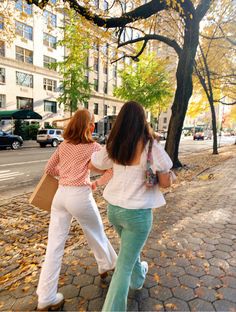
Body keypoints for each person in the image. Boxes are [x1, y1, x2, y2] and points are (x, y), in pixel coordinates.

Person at [89, 101, 173, 311]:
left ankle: (139, 278)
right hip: (138, 215)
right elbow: (165, 182)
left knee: (128, 252)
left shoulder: (115, 145)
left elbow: (95, 164)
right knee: (123, 266)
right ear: (142, 120)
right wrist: (171, 176)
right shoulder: (151, 146)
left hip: (114, 211)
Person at [36, 109, 117, 311]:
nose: (94, 126)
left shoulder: (64, 145)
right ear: (88, 126)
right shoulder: (94, 147)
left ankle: (45, 297)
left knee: (54, 246)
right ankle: (107, 264)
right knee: (96, 231)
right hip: (80, 195)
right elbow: (110, 169)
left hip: (60, 196)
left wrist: (65, 173)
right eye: (92, 123)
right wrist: (96, 182)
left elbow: (49, 169)